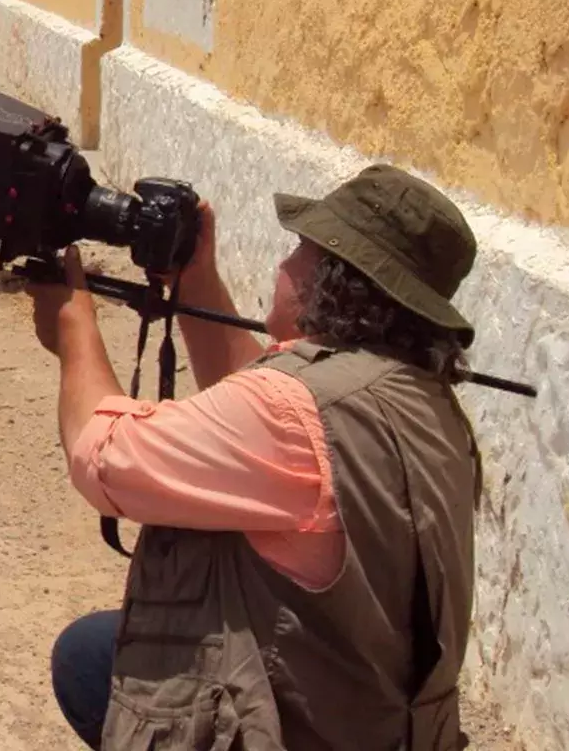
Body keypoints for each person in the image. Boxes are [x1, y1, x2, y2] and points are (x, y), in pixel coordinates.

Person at [28, 165, 484, 750]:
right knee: (94, 649)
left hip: (305, 734)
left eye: (302, 248)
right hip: (382, 724)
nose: (286, 262)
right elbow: (271, 426)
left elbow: (102, 455)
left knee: (86, 662)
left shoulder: (293, 412)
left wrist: (73, 326)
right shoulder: (414, 396)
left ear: (334, 278)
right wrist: (196, 280)